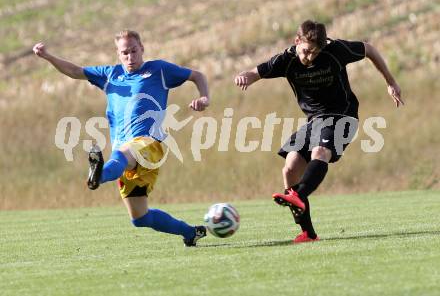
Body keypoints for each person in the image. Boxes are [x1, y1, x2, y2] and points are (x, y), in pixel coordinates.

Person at [33, 30, 210, 246]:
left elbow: (197, 75)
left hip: (149, 143)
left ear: (142, 48)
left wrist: (204, 97)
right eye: (124, 53)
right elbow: (75, 71)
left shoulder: (159, 70)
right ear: (118, 54)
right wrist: (48, 57)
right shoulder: (110, 75)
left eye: (134, 51)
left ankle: (99, 175)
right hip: (125, 155)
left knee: (119, 155)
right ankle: (190, 232)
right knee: (140, 218)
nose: (130, 57)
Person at [234, 20, 404, 243]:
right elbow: (256, 72)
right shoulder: (286, 60)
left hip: (342, 115)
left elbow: (368, 49)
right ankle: (308, 233)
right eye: (306, 51)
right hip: (314, 121)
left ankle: (299, 196)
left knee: (320, 152)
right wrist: (245, 76)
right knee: (290, 169)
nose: (310, 57)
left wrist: (390, 82)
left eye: (315, 53)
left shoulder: (335, 50)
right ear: (297, 41)